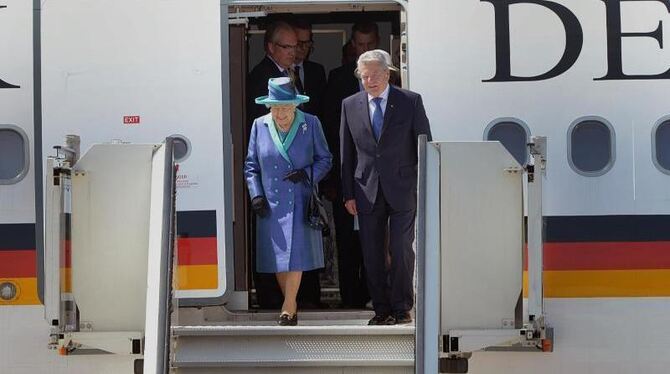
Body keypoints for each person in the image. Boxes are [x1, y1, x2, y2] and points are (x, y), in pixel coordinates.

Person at [340, 49, 432, 325]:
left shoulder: (410, 101)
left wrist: (423, 185)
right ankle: (380, 309)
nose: (370, 81)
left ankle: (401, 307)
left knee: (402, 247)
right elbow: (347, 152)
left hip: (403, 188)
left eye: (375, 75)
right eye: (364, 76)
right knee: (372, 251)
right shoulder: (349, 104)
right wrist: (347, 192)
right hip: (365, 188)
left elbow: (423, 144)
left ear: (388, 73)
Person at [246, 21, 323, 309]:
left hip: (299, 187)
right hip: (273, 186)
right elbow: (255, 154)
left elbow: (321, 154)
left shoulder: (296, 78)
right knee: (275, 249)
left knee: (300, 248)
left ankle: (296, 301)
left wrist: (311, 174)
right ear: (271, 47)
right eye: (289, 46)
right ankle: (279, 301)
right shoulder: (261, 78)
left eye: (299, 46)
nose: (295, 52)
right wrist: (256, 192)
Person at [245, 77, 332, 325]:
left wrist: (306, 174)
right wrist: (256, 195)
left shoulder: (311, 124)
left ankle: (288, 306)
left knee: (296, 255)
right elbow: (251, 165)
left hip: (300, 199)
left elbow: (325, 159)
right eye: (276, 108)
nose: (280, 113)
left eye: (285, 108)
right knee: (277, 258)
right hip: (270, 202)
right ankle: (290, 301)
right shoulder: (259, 125)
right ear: (268, 107)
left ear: (295, 106)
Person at [322, 21, 380, 308]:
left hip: (378, 179)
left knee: (374, 241)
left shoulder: (390, 80)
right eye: (360, 45)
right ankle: (350, 299)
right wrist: (333, 181)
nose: (365, 51)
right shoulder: (338, 78)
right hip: (345, 177)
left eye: (370, 45)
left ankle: (374, 294)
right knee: (346, 242)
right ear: (352, 46)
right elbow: (333, 134)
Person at [292, 19, 327, 118]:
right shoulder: (281, 70)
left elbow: (323, 109)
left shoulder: (317, 71)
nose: (303, 48)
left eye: (307, 43)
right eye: (299, 43)